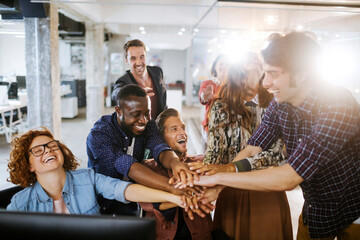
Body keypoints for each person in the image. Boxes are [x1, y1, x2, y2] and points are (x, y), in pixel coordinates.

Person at [194, 32, 360, 240]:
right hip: (316, 212)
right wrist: (217, 187)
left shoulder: (338, 104)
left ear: (300, 74)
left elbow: (289, 178)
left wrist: (219, 177)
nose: (266, 83)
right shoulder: (279, 104)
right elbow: (253, 147)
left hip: (353, 210)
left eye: (273, 74)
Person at [189, 52, 292, 240]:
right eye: (246, 56)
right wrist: (204, 179)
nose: (253, 56)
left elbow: (277, 153)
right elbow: (215, 152)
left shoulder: (277, 104)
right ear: (238, 69)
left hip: (266, 186)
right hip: (231, 187)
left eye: (257, 57)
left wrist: (227, 170)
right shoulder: (221, 107)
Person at [6, 127, 185, 213]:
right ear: (29, 165)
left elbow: (124, 190)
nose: (48, 151)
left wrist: (174, 197)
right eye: (38, 150)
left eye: (52, 145)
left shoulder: (87, 179)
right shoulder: (20, 203)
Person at [87, 84, 196, 216]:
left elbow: (160, 148)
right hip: (101, 203)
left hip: (133, 198)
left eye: (147, 113)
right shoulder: (100, 134)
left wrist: (175, 163)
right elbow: (129, 167)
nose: (143, 121)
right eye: (135, 114)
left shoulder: (148, 124)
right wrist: (171, 187)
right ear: (118, 111)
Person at [139, 108, 214, 240]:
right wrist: (188, 195)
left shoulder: (200, 163)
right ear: (161, 139)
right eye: (174, 129)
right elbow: (144, 202)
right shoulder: (148, 168)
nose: (182, 133)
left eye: (183, 128)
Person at [111, 39, 167, 119]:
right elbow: (115, 94)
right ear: (127, 61)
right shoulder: (123, 80)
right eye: (133, 58)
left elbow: (163, 101)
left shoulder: (157, 72)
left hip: (158, 126)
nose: (138, 62)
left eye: (142, 57)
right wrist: (134, 94)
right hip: (139, 128)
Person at [198, 54, 230, 135]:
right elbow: (202, 98)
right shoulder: (207, 83)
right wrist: (204, 97)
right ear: (215, 67)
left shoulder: (234, 86)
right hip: (211, 128)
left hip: (229, 129)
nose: (224, 67)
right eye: (221, 64)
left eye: (227, 64)